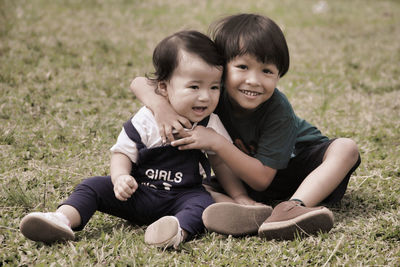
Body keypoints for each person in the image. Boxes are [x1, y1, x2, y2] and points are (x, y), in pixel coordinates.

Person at [19, 30, 263, 249]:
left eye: (213, 88)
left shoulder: (211, 124)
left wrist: (239, 196)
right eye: (194, 87)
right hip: (138, 192)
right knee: (92, 185)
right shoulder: (148, 118)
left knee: (202, 204)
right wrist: (120, 177)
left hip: (183, 196)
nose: (205, 97)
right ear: (164, 88)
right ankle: (62, 219)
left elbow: (220, 164)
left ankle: (174, 230)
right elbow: (122, 153)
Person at [130, 13, 361, 240]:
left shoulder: (278, 111)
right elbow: (139, 83)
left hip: (299, 171)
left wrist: (216, 142)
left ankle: (291, 208)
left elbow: (261, 179)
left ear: (279, 75)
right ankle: (243, 210)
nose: (253, 80)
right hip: (240, 177)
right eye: (242, 67)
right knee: (192, 185)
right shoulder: (210, 91)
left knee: (346, 148)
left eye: (267, 71)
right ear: (221, 68)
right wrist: (161, 108)